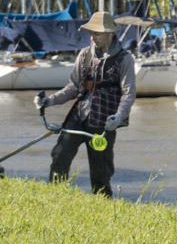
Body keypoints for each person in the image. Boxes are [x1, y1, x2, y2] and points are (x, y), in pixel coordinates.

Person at [35, 11, 137, 197]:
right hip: (78, 118)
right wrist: (49, 101)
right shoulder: (83, 55)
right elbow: (72, 88)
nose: (92, 37)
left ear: (110, 34)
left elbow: (128, 94)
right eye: (91, 32)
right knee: (59, 156)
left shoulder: (125, 59)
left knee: (101, 171)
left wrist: (119, 116)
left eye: (96, 33)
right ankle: (54, 198)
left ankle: (103, 204)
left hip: (104, 123)